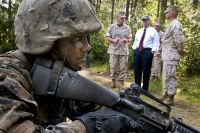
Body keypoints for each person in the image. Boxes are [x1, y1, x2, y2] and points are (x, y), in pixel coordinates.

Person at [0, 0, 138, 132]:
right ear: (46, 43)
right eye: (77, 38)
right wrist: (87, 127)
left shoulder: (58, 75)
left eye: (86, 37)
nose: (87, 47)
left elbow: (98, 108)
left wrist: (126, 110)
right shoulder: (6, 74)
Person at [160, 5, 184, 105]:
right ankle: (167, 93)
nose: (165, 13)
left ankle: (170, 97)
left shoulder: (176, 24)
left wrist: (181, 50)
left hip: (172, 55)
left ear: (173, 13)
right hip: (167, 55)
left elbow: (178, 40)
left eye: (167, 12)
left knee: (170, 76)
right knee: (166, 76)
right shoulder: (171, 24)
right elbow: (167, 40)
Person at [132, 16, 159, 91]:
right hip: (137, 51)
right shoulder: (139, 31)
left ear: (149, 21)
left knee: (146, 70)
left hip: (147, 52)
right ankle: (137, 87)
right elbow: (136, 41)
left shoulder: (153, 31)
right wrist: (134, 49)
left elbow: (156, 42)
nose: (144, 22)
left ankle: (144, 89)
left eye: (146, 20)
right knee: (137, 70)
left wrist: (152, 52)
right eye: (143, 20)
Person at [106, 12, 132, 89]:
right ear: (117, 18)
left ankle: (121, 81)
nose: (123, 19)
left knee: (123, 66)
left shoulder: (127, 28)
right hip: (113, 50)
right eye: (121, 18)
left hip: (123, 50)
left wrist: (127, 40)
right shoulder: (111, 27)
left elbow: (130, 38)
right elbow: (107, 37)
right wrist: (113, 40)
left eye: (124, 18)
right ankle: (113, 80)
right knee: (113, 66)